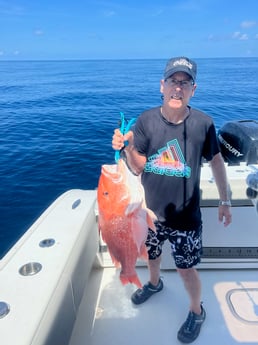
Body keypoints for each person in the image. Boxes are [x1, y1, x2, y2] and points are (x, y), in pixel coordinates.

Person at [112, 56, 232, 344]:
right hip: (149, 214)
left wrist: (225, 200)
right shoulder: (146, 120)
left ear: (194, 89)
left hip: (186, 217)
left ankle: (196, 310)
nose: (178, 89)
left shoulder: (204, 123)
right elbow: (138, 167)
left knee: (185, 267)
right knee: (152, 256)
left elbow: (216, 162)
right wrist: (127, 148)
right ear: (161, 86)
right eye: (173, 82)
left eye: (185, 83)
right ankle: (155, 284)